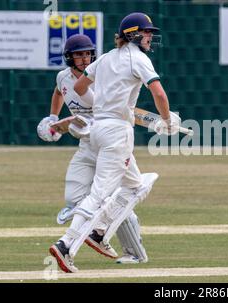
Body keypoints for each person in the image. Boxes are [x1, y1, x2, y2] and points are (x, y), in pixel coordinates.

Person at [49, 12, 180, 273]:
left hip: (99, 130)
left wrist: (108, 108)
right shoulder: (139, 59)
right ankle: (65, 245)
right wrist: (166, 120)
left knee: (135, 185)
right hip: (117, 134)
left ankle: (98, 232)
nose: (150, 37)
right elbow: (159, 93)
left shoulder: (107, 57)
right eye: (146, 32)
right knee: (99, 194)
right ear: (133, 34)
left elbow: (80, 87)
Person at [37, 34, 151, 266]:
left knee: (118, 194)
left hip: (110, 140)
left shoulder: (101, 76)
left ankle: (127, 248)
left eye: (87, 53)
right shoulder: (63, 77)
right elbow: (59, 92)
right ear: (70, 57)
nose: (84, 58)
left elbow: (118, 108)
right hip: (88, 144)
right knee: (77, 198)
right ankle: (99, 235)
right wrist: (53, 117)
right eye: (79, 55)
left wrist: (156, 121)